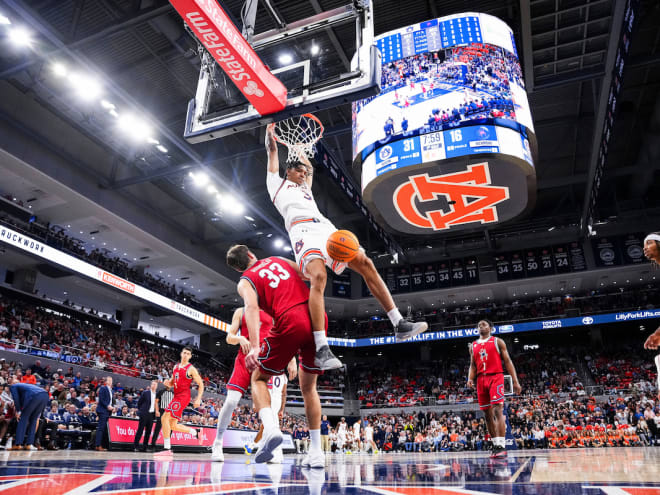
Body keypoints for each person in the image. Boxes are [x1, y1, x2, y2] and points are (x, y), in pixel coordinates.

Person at [265, 126, 428, 369]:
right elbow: (271, 154)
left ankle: (399, 323)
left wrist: (299, 148)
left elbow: (308, 166)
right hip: (302, 232)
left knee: (366, 263)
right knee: (319, 277)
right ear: (288, 171)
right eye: (298, 170)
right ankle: (321, 348)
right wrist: (272, 139)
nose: (303, 173)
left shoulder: (305, 187)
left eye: (303, 171)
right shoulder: (276, 185)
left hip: (326, 229)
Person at [226, 244, 325, 467]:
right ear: (251, 253)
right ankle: (317, 452)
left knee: (258, 379)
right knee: (309, 388)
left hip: (290, 321)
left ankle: (270, 430)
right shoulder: (278, 259)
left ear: (238, 268)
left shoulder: (245, 280)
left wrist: (253, 346)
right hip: (317, 316)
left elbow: (251, 308)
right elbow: (309, 275)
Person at [211, 307, 295, 463]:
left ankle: (271, 446)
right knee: (231, 401)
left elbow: (283, 337)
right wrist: (240, 339)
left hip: (265, 361)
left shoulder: (273, 312)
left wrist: (292, 359)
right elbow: (229, 337)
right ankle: (217, 442)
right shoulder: (240, 311)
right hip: (244, 359)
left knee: (267, 406)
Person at [467, 319, 521, 459]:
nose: (480, 326)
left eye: (483, 324)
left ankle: (502, 445)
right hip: (480, 379)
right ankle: (495, 443)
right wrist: (470, 379)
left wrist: (515, 381)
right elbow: (472, 365)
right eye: (478, 325)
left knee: (498, 409)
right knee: (487, 414)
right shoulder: (473, 345)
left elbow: (508, 361)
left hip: (495, 377)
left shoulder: (498, 341)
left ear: (491, 328)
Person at [159, 346, 205, 453]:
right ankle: (196, 433)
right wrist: (167, 383)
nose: (185, 355)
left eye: (188, 354)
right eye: (184, 353)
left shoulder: (191, 369)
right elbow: (171, 383)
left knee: (164, 418)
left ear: (190, 356)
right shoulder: (176, 367)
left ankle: (167, 449)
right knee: (172, 425)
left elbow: (201, 384)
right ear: (181, 353)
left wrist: (198, 399)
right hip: (176, 396)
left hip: (183, 397)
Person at [9, 379, 49, 450]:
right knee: (33, 420)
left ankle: (18, 444)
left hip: (34, 396)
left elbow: (16, 398)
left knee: (23, 419)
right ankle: (29, 444)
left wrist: (18, 411)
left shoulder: (13, 386)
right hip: (45, 395)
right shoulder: (25, 386)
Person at [134, 380, 158, 452]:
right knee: (140, 430)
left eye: (155, 385)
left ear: (157, 386)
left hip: (151, 415)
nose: (154, 386)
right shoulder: (145, 393)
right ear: (151, 385)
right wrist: (141, 411)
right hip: (144, 414)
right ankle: (136, 446)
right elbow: (139, 402)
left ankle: (145, 447)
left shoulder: (157, 395)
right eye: (153, 384)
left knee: (148, 432)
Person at [95, 376, 114, 451]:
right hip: (103, 410)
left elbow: (110, 401)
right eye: (109, 380)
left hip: (107, 411)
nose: (111, 381)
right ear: (106, 381)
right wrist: (107, 406)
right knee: (101, 428)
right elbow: (101, 399)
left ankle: (102, 444)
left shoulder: (111, 390)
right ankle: (98, 445)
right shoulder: (103, 388)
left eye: (111, 380)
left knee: (105, 429)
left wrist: (112, 407)